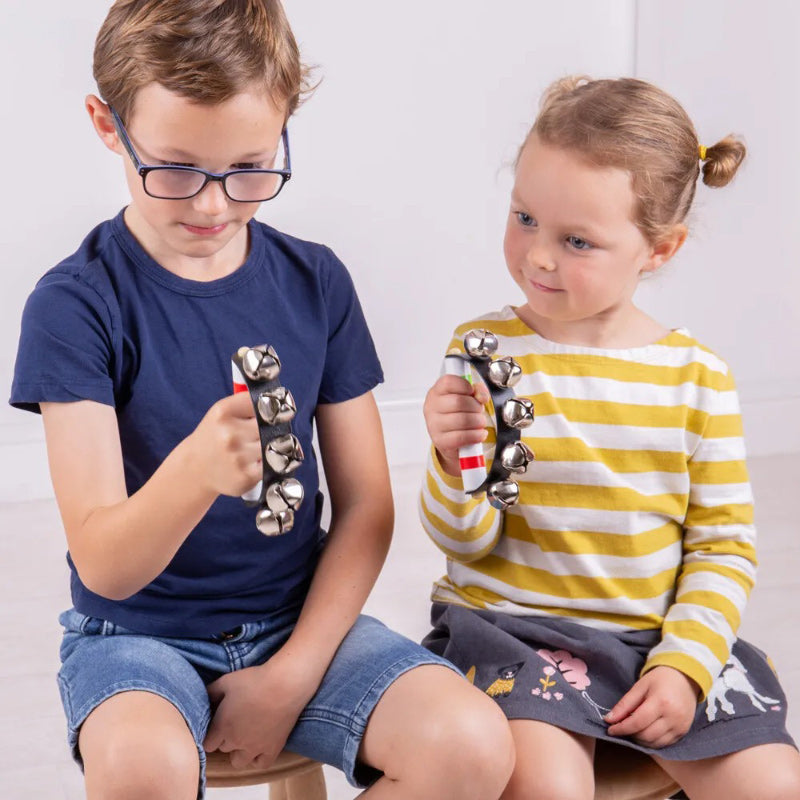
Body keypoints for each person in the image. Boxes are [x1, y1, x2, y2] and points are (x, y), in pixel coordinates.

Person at [9, 2, 515, 799]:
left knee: (474, 746)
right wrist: (195, 473)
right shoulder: (75, 305)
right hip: (135, 637)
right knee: (144, 769)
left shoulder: (315, 282)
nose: (214, 205)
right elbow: (105, 566)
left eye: (249, 167)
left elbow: (365, 508)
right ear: (109, 128)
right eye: (175, 169)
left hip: (299, 624)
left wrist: (293, 673)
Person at [419, 75, 800, 800]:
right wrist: (448, 461)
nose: (537, 257)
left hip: (651, 643)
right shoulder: (485, 351)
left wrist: (684, 666)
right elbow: (463, 540)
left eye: (577, 241)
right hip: (514, 635)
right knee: (549, 786)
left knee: (775, 781)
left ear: (658, 249)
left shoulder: (697, 379)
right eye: (524, 217)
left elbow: (722, 546)